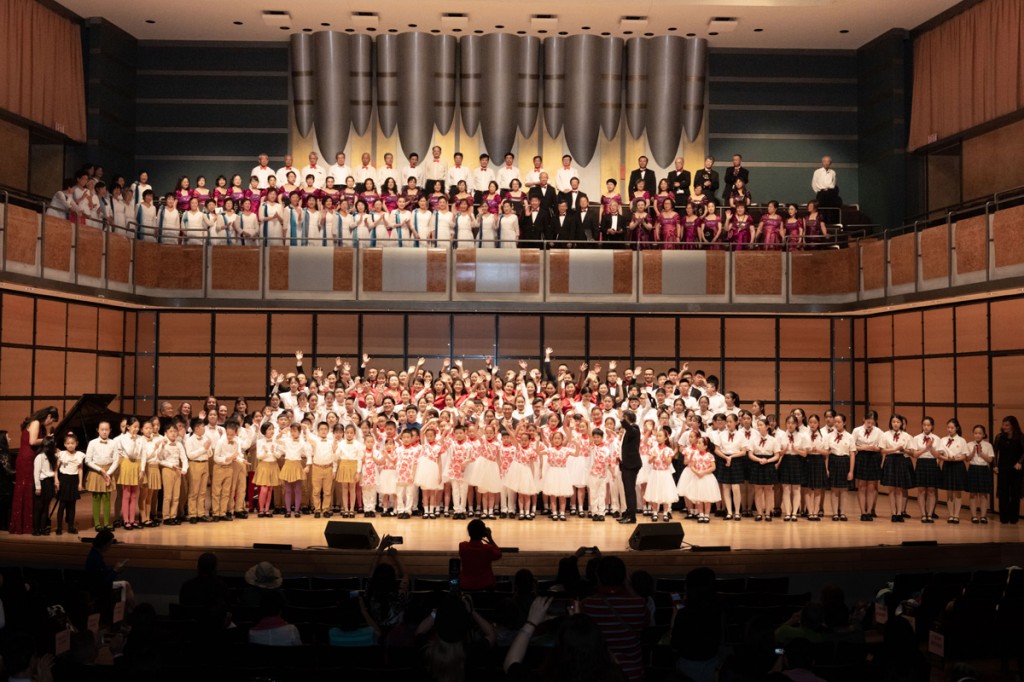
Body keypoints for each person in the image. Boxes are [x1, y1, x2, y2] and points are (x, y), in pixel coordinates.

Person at [580, 556, 647, 682]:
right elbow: (644, 627)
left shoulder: (587, 604)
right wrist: (629, 588)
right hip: (632, 672)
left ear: (598, 577)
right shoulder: (639, 603)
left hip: (598, 672)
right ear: (625, 577)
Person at [10, 406, 59, 535]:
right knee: (26, 489)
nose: (50, 423)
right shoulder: (36, 422)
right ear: (48, 416)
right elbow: (32, 441)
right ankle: (24, 524)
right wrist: (48, 440)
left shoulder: (40, 425)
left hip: (31, 457)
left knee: (31, 490)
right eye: (52, 421)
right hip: (27, 458)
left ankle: (32, 524)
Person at [670, 567, 724, 682]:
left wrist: (675, 618)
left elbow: (675, 644)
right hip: (712, 665)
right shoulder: (718, 610)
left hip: (687, 668)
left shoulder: (684, 614)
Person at [55, 431, 85, 535]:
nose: (70, 445)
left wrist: (80, 483)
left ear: (76, 443)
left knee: (72, 505)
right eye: (68, 443)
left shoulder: (79, 455)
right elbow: (56, 468)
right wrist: (56, 479)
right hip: (64, 480)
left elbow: (80, 469)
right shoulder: (62, 454)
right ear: (64, 444)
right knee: (62, 504)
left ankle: (70, 526)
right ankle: (59, 527)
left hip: (74, 480)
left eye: (72, 443)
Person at [458, 519, 501, 590]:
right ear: (483, 533)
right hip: (485, 586)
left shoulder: (462, 546)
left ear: (469, 533)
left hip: (466, 585)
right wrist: (490, 538)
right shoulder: (487, 549)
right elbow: (498, 554)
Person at [994, 416, 1023, 524]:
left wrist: (1020, 462)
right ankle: (1004, 517)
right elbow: (995, 452)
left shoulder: (1020, 437)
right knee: (1003, 493)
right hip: (1003, 468)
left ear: (1013, 426)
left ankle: (1014, 517)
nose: (1004, 427)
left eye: (1007, 425)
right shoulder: (999, 437)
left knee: (1015, 493)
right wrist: (995, 465)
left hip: (1016, 469)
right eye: (1003, 424)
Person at [617, 411, 641, 524]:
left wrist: (622, 420)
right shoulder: (628, 430)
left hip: (631, 465)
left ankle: (632, 517)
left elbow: (631, 430)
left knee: (630, 491)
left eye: (623, 418)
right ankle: (628, 513)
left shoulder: (634, 428)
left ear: (627, 418)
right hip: (626, 464)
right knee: (627, 491)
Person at [32, 437, 57, 536]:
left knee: (46, 507)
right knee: (39, 507)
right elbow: (36, 473)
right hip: (42, 483)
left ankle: (43, 528)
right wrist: (38, 487)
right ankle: (36, 529)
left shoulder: (52, 456)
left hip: (49, 483)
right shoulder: (40, 457)